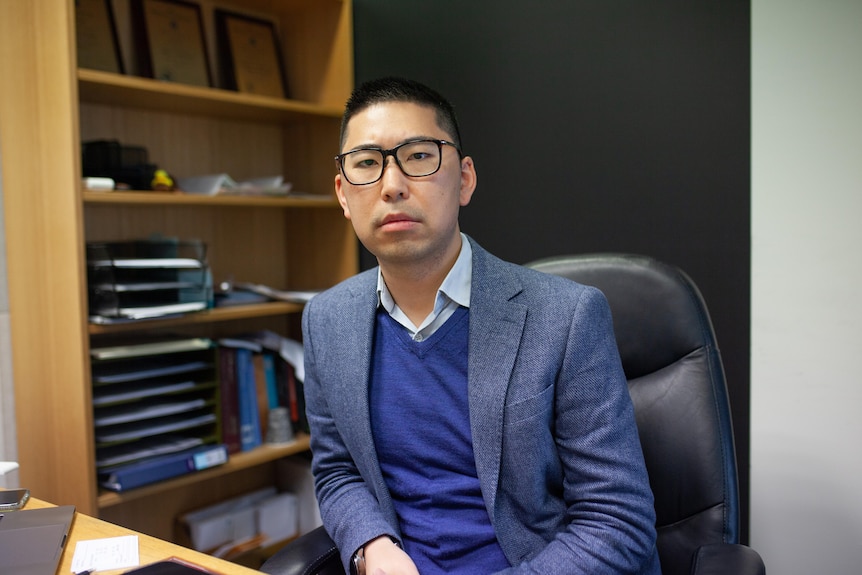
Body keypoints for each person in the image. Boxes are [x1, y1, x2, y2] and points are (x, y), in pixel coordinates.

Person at [301, 76, 661, 575]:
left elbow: (618, 522)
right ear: (343, 194)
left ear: (465, 179)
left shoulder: (567, 317)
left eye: (420, 156)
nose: (392, 185)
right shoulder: (326, 320)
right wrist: (371, 547)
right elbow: (338, 471)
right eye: (366, 163)